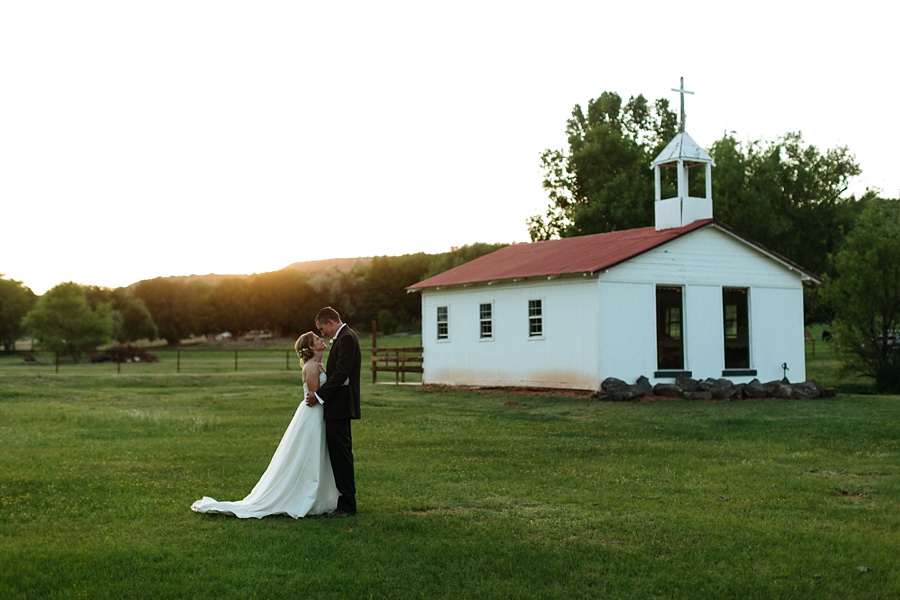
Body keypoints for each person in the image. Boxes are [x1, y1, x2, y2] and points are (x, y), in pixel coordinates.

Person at [190, 332, 338, 518]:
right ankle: (304, 495)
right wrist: (338, 386)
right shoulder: (312, 367)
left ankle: (318, 495)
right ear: (311, 347)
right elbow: (314, 396)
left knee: (317, 453)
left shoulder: (318, 365)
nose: (321, 340)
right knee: (308, 453)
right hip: (312, 415)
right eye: (317, 339)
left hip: (318, 414)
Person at [306, 306, 361, 517]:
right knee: (339, 455)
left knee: (342, 456)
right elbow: (339, 375)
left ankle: (347, 505)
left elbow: (341, 373)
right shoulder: (344, 337)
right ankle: (344, 501)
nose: (322, 334)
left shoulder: (346, 338)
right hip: (338, 404)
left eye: (322, 328)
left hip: (340, 406)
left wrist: (319, 396)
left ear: (330, 322)